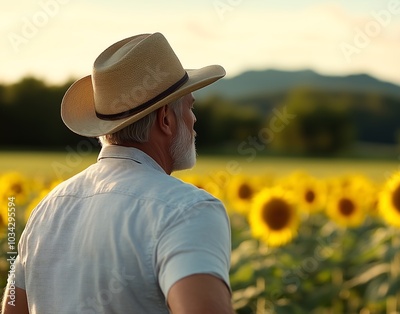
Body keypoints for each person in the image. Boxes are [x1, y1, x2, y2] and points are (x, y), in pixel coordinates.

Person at [2, 32, 233, 313]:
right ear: (166, 119)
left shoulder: (47, 210)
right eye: (190, 106)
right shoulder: (187, 211)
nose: (194, 119)